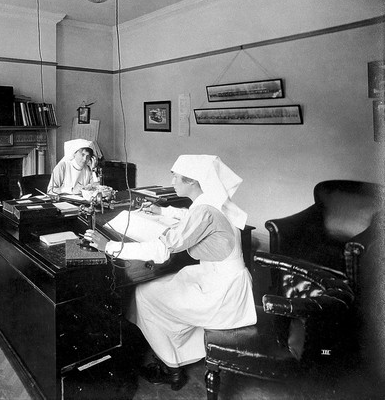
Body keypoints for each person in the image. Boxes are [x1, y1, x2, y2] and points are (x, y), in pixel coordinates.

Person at [84, 155, 256, 391]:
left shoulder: (205, 210)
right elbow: (190, 217)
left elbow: (162, 248)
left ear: (193, 181)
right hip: (225, 280)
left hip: (221, 293)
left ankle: (171, 368)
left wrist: (110, 246)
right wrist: (160, 211)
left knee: (144, 293)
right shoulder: (214, 201)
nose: (172, 179)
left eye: (175, 175)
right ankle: (179, 352)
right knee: (167, 284)